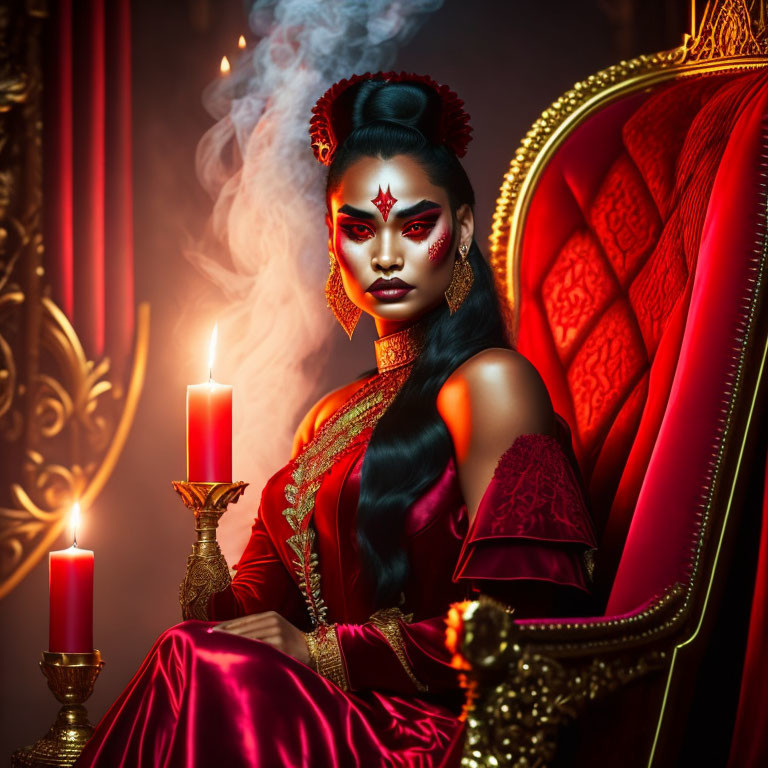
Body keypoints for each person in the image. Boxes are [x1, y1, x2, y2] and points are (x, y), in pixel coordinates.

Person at [75, 71, 598, 768]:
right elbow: (249, 615)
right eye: (359, 228)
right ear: (331, 239)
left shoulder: (492, 384)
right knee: (191, 654)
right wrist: (207, 537)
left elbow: (521, 630)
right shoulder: (330, 415)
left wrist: (315, 650)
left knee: (193, 666)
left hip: (436, 730)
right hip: (337, 712)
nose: (386, 254)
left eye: (416, 225)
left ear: (463, 228)